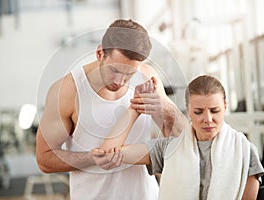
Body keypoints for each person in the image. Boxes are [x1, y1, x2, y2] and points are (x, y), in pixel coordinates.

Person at [36, 19, 187, 200]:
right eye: (114, 70)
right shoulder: (67, 90)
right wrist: (91, 159)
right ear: (100, 53)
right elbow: (44, 159)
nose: (119, 80)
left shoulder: (147, 77)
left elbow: (182, 138)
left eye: (129, 74)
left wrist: (164, 109)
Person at [97, 75, 264, 200]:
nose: (208, 119)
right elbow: (107, 153)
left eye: (215, 110)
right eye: (198, 112)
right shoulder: (169, 148)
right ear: (188, 109)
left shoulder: (244, 150)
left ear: (225, 107)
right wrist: (136, 108)